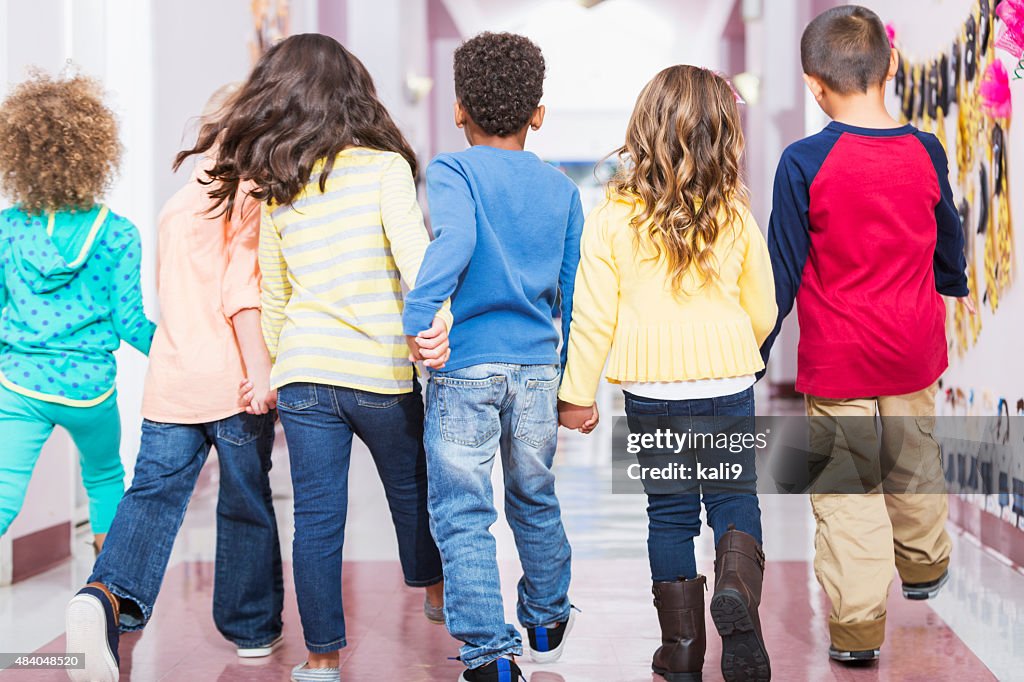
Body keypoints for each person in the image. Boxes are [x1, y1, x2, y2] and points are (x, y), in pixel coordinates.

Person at [192, 34, 447, 682]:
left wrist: (282, 365)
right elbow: (417, 260)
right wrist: (437, 327)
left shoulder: (281, 186)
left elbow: (274, 295)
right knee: (412, 490)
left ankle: (322, 657)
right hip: (380, 372)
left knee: (316, 519)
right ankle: (435, 588)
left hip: (305, 373)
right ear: (354, 93)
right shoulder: (385, 167)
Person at [760, 5, 970, 665]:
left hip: (840, 358)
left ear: (815, 86)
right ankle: (926, 564)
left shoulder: (803, 162)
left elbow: (783, 266)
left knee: (847, 493)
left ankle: (855, 631)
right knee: (914, 458)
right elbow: (948, 234)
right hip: (913, 348)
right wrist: (951, 279)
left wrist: (756, 352)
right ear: (893, 66)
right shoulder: (925, 149)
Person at [559, 65, 776, 682]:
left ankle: (681, 650)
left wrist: (576, 394)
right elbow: (762, 304)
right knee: (735, 498)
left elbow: (592, 315)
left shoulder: (611, 216)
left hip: (650, 393)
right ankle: (737, 594)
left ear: (643, 130)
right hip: (727, 381)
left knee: (670, 516)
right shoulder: (734, 213)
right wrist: (737, 348)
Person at [63, 84, 285, 682]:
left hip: (171, 379)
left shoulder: (179, 201)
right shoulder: (249, 196)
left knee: (150, 497)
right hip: (234, 380)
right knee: (246, 503)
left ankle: (104, 596)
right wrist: (261, 373)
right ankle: (252, 628)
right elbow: (244, 296)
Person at [401, 31, 583, 682]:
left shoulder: (452, 170)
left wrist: (418, 316)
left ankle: (490, 657)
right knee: (534, 493)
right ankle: (547, 612)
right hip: (537, 367)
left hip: (467, 367)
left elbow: (457, 239)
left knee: (462, 510)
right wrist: (575, 384)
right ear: (539, 113)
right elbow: (571, 290)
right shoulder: (563, 190)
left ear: (458, 110)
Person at [0, 73, 153, 551]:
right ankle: (107, 592)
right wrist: (183, 353)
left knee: (3, 492)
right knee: (105, 477)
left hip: (21, 383)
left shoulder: (8, 229)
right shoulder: (119, 234)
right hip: (90, 387)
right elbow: (131, 324)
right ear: (97, 153)